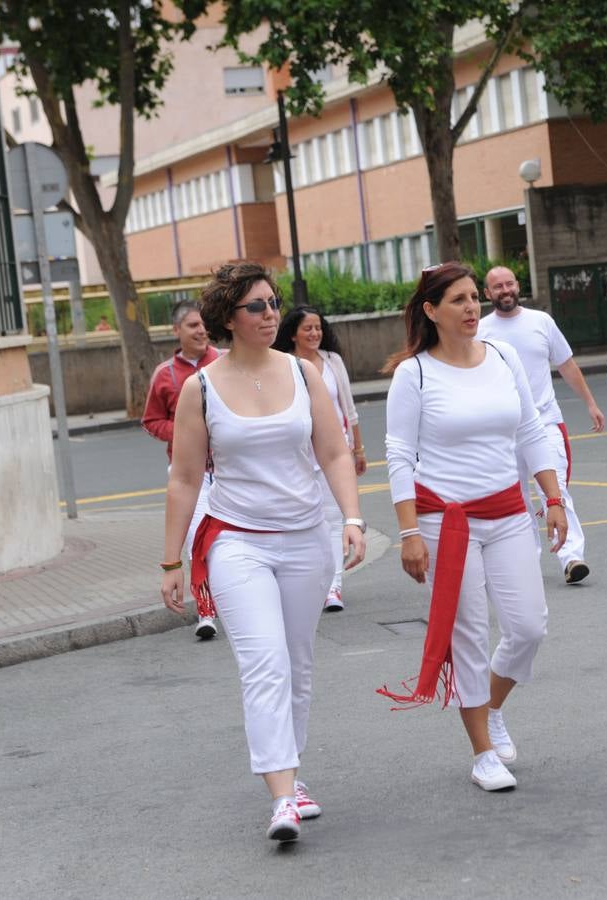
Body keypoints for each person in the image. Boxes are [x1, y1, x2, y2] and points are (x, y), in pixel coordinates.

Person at [159, 263, 367, 844]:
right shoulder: (201, 388)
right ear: (228, 317)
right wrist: (172, 561)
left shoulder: (303, 373)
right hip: (237, 542)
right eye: (257, 306)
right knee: (265, 663)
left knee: (297, 663)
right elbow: (184, 479)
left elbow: (334, 453)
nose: (272, 313)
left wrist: (351, 519)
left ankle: (292, 776)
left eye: (273, 303)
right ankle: (281, 797)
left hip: (305, 540)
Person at [378, 262, 567, 792]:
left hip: (507, 512)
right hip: (446, 522)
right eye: (457, 300)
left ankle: (491, 705)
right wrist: (409, 533)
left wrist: (553, 498)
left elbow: (531, 431)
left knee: (528, 627)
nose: (470, 308)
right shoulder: (414, 374)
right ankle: (483, 752)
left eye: (471, 297)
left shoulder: (503, 356)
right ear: (431, 311)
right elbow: (399, 456)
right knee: (469, 634)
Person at [477, 266, 605, 585]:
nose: (505, 290)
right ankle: (526, 561)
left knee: (555, 490)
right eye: (497, 287)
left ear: (518, 286)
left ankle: (572, 557)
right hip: (503, 429)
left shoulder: (541, 322)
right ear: (487, 294)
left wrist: (590, 403)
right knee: (515, 497)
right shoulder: (480, 331)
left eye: (509, 284)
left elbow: (566, 364)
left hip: (544, 423)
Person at [273, 306, 367, 612]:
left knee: (335, 519)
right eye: (307, 329)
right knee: (308, 521)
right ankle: (311, 580)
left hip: (335, 452)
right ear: (293, 334)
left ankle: (334, 587)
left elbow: (349, 409)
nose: (315, 333)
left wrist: (358, 449)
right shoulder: (284, 365)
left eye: (318, 328)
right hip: (299, 456)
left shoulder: (332, 361)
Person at [142, 300, 221, 639]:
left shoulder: (223, 362)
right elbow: (151, 420)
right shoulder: (165, 374)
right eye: (192, 326)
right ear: (177, 331)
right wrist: (181, 432)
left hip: (228, 468)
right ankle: (206, 611)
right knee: (196, 542)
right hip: (189, 474)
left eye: (203, 325)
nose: (201, 331)